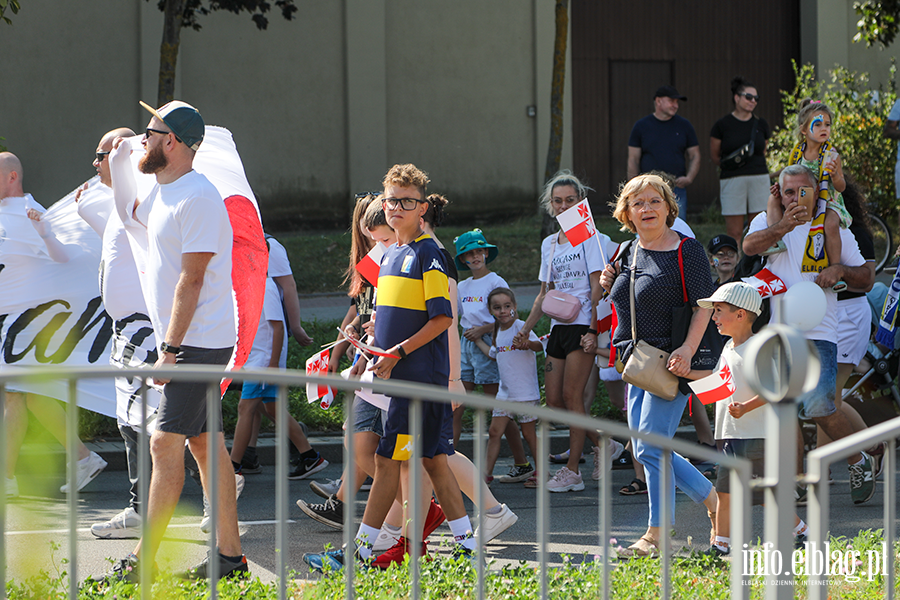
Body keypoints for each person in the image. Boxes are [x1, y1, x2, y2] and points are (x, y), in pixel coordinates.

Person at [92, 100, 246, 583]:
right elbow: (127, 211)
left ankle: (144, 565)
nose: (143, 138)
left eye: (149, 131)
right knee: (204, 446)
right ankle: (230, 559)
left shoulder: (197, 197)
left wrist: (170, 349)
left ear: (172, 142)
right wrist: (118, 160)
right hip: (192, 339)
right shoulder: (164, 188)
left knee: (163, 444)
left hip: (198, 343)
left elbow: (192, 280)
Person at [303, 164, 476, 571]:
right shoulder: (392, 254)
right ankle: (468, 546)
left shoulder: (429, 254)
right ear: (383, 203)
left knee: (386, 462)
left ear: (422, 208)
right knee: (432, 461)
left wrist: (396, 351)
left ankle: (359, 552)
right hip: (402, 380)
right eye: (392, 200)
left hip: (418, 384)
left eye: (408, 201)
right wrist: (371, 346)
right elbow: (397, 316)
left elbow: (442, 319)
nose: (398, 207)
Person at [600, 173, 719, 557]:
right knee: (647, 448)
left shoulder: (688, 251)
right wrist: (608, 283)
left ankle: (656, 533)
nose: (647, 208)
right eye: (638, 203)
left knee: (651, 445)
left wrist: (686, 349)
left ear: (669, 207)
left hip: (671, 362)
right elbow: (624, 303)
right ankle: (716, 502)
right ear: (627, 213)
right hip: (635, 363)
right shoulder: (626, 251)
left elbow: (705, 307)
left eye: (654, 201)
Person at [743, 164, 876, 505]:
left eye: (803, 190)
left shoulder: (833, 225)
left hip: (821, 331)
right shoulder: (770, 220)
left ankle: (858, 459)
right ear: (779, 192)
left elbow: (866, 277)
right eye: (789, 191)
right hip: (780, 333)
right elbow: (748, 247)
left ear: (816, 191)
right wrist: (783, 226)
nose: (795, 197)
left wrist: (840, 270)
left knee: (819, 407)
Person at [0, 152, 107, 499]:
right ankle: (83, 458)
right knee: (32, 397)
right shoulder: (8, 214)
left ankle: (7, 478)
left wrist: (45, 235)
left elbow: (62, 257)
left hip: (26, 325)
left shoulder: (29, 215)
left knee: (14, 398)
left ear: (13, 176)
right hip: (14, 323)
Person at [74, 127, 163, 538]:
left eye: (101, 155)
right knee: (131, 422)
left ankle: (216, 491)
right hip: (124, 332)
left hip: (146, 330)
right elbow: (111, 240)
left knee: (167, 422)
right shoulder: (119, 204)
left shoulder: (143, 199)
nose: (94, 164)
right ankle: (139, 507)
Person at [687, 282, 808, 556]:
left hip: (757, 436)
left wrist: (746, 407)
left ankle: (802, 533)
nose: (714, 317)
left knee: (765, 495)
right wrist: (684, 372)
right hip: (731, 435)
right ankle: (722, 546)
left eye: (719, 311)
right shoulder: (729, 346)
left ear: (741, 315)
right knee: (725, 494)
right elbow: (719, 380)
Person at [514, 171, 609, 492]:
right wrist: (525, 329)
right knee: (554, 401)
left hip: (582, 326)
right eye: (558, 201)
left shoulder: (590, 238)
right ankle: (602, 443)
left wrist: (594, 330)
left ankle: (573, 472)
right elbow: (544, 292)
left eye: (570, 200)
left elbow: (598, 288)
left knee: (572, 397)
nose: (563, 205)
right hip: (558, 328)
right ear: (550, 205)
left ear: (580, 203)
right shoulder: (549, 244)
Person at [230, 275, 327, 480]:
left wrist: (273, 364)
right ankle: (310, 457)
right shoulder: (251, 283)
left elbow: (278, 327)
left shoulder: (264, 286)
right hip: (258, 360)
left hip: (263, 362)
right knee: (272, 409)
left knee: (245, 408)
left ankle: (233, 467)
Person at [454, 230, 531, 481]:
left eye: (479, 251)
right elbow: (457, 316)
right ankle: (450, 465)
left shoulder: (496, 281)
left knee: (497, 407)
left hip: (489, 341)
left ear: (486, 253)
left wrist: (483, 331)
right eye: (469, 254)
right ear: (463, 259)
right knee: (456, 404)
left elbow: (507, 316)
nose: (475, 257)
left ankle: (521, 462)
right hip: (466, 345)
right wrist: (469, 335)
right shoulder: (461, 285)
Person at [766, 99, 849, 270]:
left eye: (827, 124)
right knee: (772, 199)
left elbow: (841, 188)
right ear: (804, 129)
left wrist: (834, 176)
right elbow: (788, 176)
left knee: (831, 224)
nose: (824, 128)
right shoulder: (797, 152)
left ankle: (835, 268)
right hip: (804, 196)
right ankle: (776, 239)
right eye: (817, 124)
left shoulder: (831, 154)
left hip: (828, 200)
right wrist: (780, 188)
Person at [472, 288, 540, 484]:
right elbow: (493, 353)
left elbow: (539, 346)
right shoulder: (497, 330)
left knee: (528, 433)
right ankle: (485, 476)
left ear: (515, 307)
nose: (502, 311)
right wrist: (477, 340)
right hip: (505, 393)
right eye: (497, 307)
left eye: (507, 306)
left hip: (525, 392)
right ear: (491, 310)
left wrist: (528, 343)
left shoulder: (522, 327)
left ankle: (541, 472)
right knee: (494, 432)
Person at [709, 77, 771, 245]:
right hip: (732, 179)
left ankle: (755, 268)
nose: (753, 101)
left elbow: (762, 150)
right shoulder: (722, 125)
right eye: (748, 97)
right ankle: (734, 269)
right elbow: (715, 156)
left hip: (758, 178)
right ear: (737, 98)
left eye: (756, 98)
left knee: (758, 229)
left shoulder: (761, 124)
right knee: (734, 232)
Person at [627, 86, 700, 217]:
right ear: (658, 101)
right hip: (647, 188)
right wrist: (634, 187)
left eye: (677, 102)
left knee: (678, 228)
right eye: (672, 101)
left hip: (676, 188)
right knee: (646, 224)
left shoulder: (685, 126)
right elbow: (633, 159)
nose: (675, 105)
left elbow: (695, 155)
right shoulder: (641, 126)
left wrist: (689, 178)